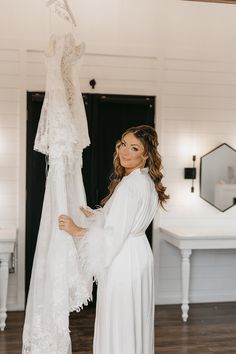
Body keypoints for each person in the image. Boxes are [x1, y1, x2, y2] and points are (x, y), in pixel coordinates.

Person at [58, 125, 169, 354]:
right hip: (138, 254)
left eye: (134, 148)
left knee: (119, 318)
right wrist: (99, 215)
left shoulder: (129, 186)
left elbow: (113, 234)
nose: (125, 151)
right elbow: (126, 221)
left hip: (124, 258)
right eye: (123, 144)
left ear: (146, 155)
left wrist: (77, 229)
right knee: (134, 317)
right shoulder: (145, 182)